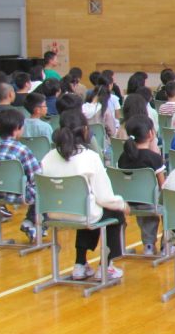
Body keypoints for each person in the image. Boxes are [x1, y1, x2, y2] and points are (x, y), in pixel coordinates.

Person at [40, 109, 129, 280]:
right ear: (85, 130)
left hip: (53, 213)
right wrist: (122, 204)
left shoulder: (48, 157)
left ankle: (80, 264)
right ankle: (106, 266)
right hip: (83, 214)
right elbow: (105, 197)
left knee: (88, 205)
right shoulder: (90, 157)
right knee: (113, 211)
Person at [0, 108, 43, 243]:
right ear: (17, 128)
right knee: (45, 190)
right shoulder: (22, 149)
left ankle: (31, 223)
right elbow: (37, 177)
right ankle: (33, 224)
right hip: (19, 195)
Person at [117, 115, 165, 255]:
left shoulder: (123, 157)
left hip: (127, 203)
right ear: (150, 133)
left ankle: (147, 245)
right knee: (167, 204)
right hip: (149, 203)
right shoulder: (154, 158)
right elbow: (162, 186)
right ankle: (163, 245)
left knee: (146, 203)